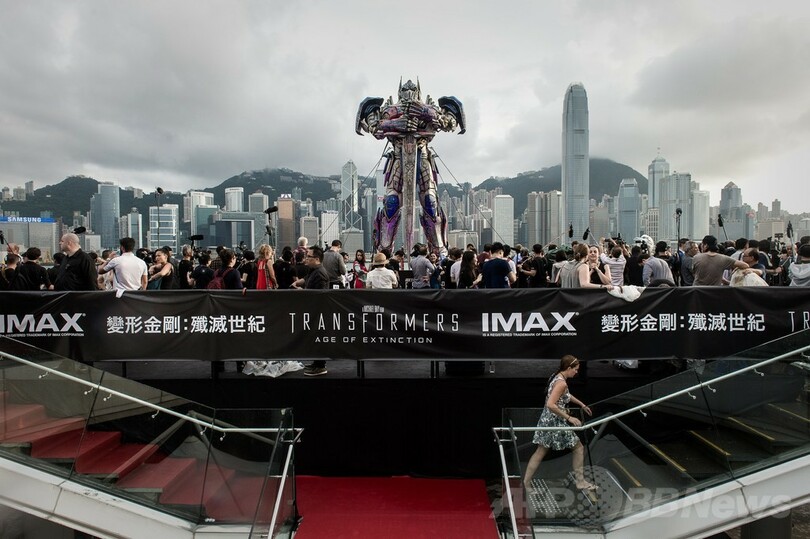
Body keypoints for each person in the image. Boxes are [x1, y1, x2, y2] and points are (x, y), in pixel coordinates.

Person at [356, 79, 464, 255]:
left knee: (430, 201)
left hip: (423, 155)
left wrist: (428, 114)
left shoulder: (429, 108)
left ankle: (438, 249)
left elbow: (448, 123)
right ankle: (384, 249)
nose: (409, 91)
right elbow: (375, 129)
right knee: (391, 202)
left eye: (412, 89)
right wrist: (394, 124)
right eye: (405, 89)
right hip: (398, 157)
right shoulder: (390, 110)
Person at [523, 355, 594, 492]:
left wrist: (581, 404)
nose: (576, 372)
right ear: (569, 368)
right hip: (555, 421)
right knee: (578, 448)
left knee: (540, 451)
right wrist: (569, 418)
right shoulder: (562, 383)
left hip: (547, 419)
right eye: (575, 369)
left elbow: (566, 395)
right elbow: (551, 404)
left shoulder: (556, 376)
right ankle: (580, 482)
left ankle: (526, 482)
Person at [294, 246, 330, 376]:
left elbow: (319, 295)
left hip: (319, 312)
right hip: (313, 310)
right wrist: (297, 283)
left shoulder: (320, 274)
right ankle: (317, 363)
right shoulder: (314, 270)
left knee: (319, 339)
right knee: (314, 339)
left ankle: (320, 366)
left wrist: (301, 291)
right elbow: (306, 279)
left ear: (317, 259)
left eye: (309, 256)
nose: (306, 259)